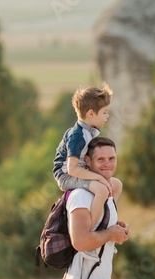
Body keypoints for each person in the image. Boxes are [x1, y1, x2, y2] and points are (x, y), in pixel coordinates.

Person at [64, 136, 131, 279]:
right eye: (101, 159)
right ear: (88, 162)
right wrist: (111, 232)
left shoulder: (105, 191)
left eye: (112, 158)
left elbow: (98, 228)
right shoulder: (81, 195)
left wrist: (116, 228)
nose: (107, 164)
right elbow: (80, 241)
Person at [53, 82, 122, 261]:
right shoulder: (78, 135)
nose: (107, 116)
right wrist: (98, 178)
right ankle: (91, 237)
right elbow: (72, 168)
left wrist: (102, 178)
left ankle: (107, 221)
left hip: (78, 171)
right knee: (101, 189)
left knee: (116, 185)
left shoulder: (91, 131)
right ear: (91, 113)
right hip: (66, 175)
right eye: (104, 112)